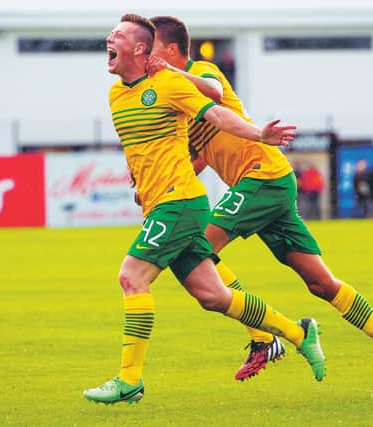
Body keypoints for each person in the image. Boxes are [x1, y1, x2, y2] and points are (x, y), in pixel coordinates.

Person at [147, 15, 373, 395]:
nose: (146, 55)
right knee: (320, 282)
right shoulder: (177, 96)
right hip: (268, 184)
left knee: (197, 251)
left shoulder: (201, 71)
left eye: (151, 48)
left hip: (261, 176)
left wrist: (170, 73)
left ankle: (264, 337)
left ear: (171, 50)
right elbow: (200, 154)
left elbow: (213, 91)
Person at [83, 14, 326, 405]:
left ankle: (129, 380)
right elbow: (145, 145)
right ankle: (298, 333)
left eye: (120, 34)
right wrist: (139, 180)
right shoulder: (116, 96)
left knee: (132, 277)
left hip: (179, 202)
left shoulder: (168, 82)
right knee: (212, 295)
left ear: (141, 49)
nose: (110, 37)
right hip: (162, 203)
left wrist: (258, 133)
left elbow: (215, 108)